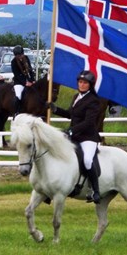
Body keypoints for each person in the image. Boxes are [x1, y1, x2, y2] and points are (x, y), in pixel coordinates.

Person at [47, 70, 102, 204]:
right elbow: (70, 114)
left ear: (90, 85)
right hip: (75, 135)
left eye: (85, 83)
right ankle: (50, 188)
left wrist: (72, 130)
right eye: (80, 82)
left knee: (87, 160)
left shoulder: (94, 101)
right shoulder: (76, 97)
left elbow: (89, 122)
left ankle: (95, 190)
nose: (82, 85)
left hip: (88, 137)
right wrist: (55, 109)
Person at [10, 45, 35, 115]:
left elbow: (30, 70)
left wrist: (33, 80)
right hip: (19, 82)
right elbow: (17, 75)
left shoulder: (26, 58)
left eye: (21, 54)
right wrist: (25, 83)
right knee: (19, 95)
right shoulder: (13, 62)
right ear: (16, 55)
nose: (21, 56)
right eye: (19, 55)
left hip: (28, 79)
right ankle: (16, 111)